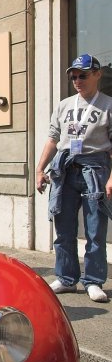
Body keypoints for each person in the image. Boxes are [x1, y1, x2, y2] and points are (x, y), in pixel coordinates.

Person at [36, 53, 112, 303]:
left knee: (95, 228)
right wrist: (40, 169)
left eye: (83, 75)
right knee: (63, 226)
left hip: (95, 168)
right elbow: (53, 138)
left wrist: (111, 178)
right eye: (74, 77)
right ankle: (67, 278)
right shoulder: (64, 105)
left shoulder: (108, 105)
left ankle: (93, 280)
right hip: (66, 168)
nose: (78, 80)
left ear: (97, 74)